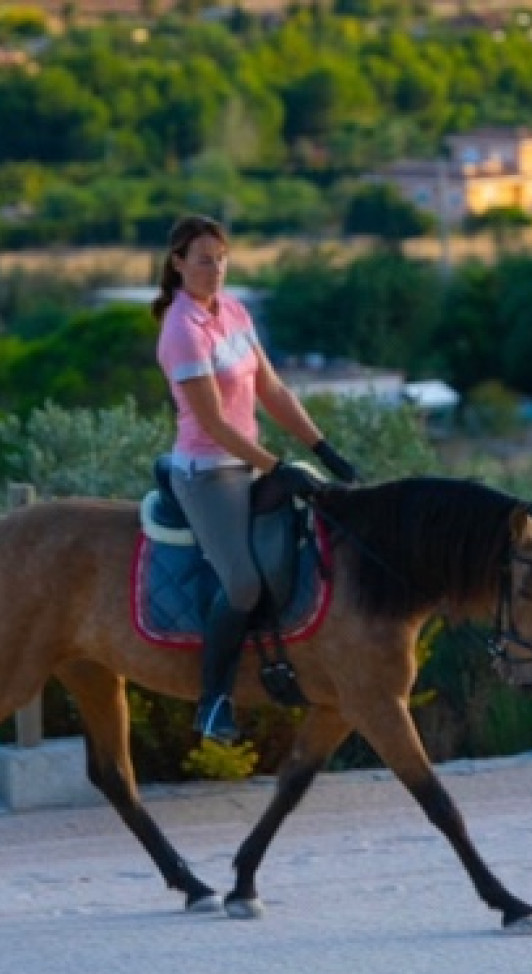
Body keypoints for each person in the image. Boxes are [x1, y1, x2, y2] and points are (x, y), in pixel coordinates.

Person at [152, 213, 359, 744]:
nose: (215, 270)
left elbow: (271, 389)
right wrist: (278, 467)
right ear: (178, 264)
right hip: (208, 472)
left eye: (221, 260)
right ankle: (213, 701)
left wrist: (321, 448)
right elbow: (216, 424)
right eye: (203, 260)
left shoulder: (235, 310)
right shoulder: (181, 330)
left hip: (249, 462)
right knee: (242, 584)